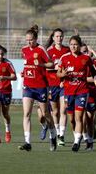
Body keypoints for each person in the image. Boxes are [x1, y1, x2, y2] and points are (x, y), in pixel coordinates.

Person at [19, 24, 57, 152]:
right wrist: (24, 72)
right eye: (27, 40)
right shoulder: (24, 50)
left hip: (41, 86)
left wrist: (40, 64)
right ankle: (27, 142)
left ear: (36, 39)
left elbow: (51, 63)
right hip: (28, 87)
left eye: (31, 40)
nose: (29, 42)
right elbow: (27, 65)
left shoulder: (41, 49)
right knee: (26, 113)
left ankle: (53, 135)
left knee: (45, 114)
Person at [57, 35, 96, 152]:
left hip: (82, 91)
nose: (73, 46)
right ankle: (82, 138)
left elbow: (93, 72)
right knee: (72, 120)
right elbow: (58, 74)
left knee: (79, 117)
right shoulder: (64, 58)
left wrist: (95, 80)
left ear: (79, 46)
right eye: (71, 44)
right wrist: (62, 75)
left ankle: (76, 142)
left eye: (75, 44)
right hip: (69, 92)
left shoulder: (86, 58)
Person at [45, 28, 70, 146]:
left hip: (64, 84)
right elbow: (45, 67)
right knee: (54, 112)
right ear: (53, 38)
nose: (59, 38)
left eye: (61, 36)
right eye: (57, 36)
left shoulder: (67, 50)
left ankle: (61, 136)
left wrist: (64, 78)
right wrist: (56, 68)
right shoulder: (48, 51)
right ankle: (55, 133)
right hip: (52, 84)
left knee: (63, 109)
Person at [80, 43, 96, 150]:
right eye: (83, 51)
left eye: (86, 51)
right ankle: (87, 140)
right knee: (82, 118)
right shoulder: (79, 62)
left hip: (93, 93)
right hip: (81, 92)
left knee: (91, 120)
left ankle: (90, 137)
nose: (85, 53)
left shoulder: (92, 62)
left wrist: (92, 50)